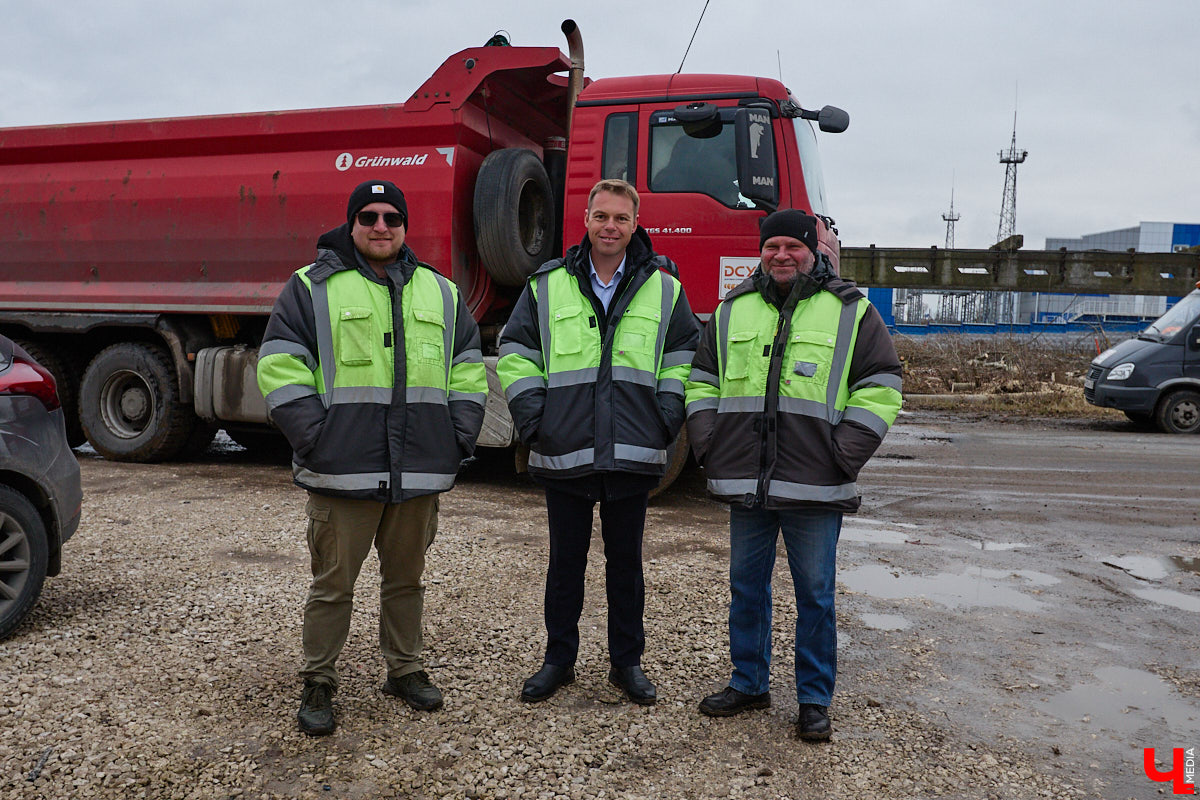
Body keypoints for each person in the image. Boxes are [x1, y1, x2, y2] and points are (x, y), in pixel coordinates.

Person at [256, 179, 487, 736]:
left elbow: (469, 369)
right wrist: (317, 439)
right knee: (333, 585)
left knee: (406, 581)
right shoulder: (311, 287)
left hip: (419, 469)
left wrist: (457, 436)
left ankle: (405, 670)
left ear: (405, 226)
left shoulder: (442, 292)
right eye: (368, 216)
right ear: (351, 223)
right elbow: (280, 366)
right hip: (341, 469)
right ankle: (319, 680)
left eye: (391, 217)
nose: (380, 226)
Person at [684, 209, 902, 740]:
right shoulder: (732, 310)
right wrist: (709, 443)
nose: (782, 255)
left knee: (816, 595)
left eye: (793, 246)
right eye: (772, 246)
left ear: (814, 250)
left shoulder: (851, 311)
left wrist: (843, 454)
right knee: (746, 589)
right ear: (761, 252)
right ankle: (749, 682)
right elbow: (702, 379)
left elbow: (881, 384)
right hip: (747, 482)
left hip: (816, 483)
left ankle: (813, 700)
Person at [498, 179, 699, 705]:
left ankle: (626, 663)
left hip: (632, 449)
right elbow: (517, 349)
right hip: (564, 445)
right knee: (565, 565)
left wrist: (667, 416)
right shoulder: (546, 285)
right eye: (601, 216)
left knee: (626, 566)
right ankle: (558, 660)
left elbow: (683, 355)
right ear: (586, 220)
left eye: (621, 219)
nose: (611, 227)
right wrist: (534, 417)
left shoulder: (664, 287)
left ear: (636, 224)